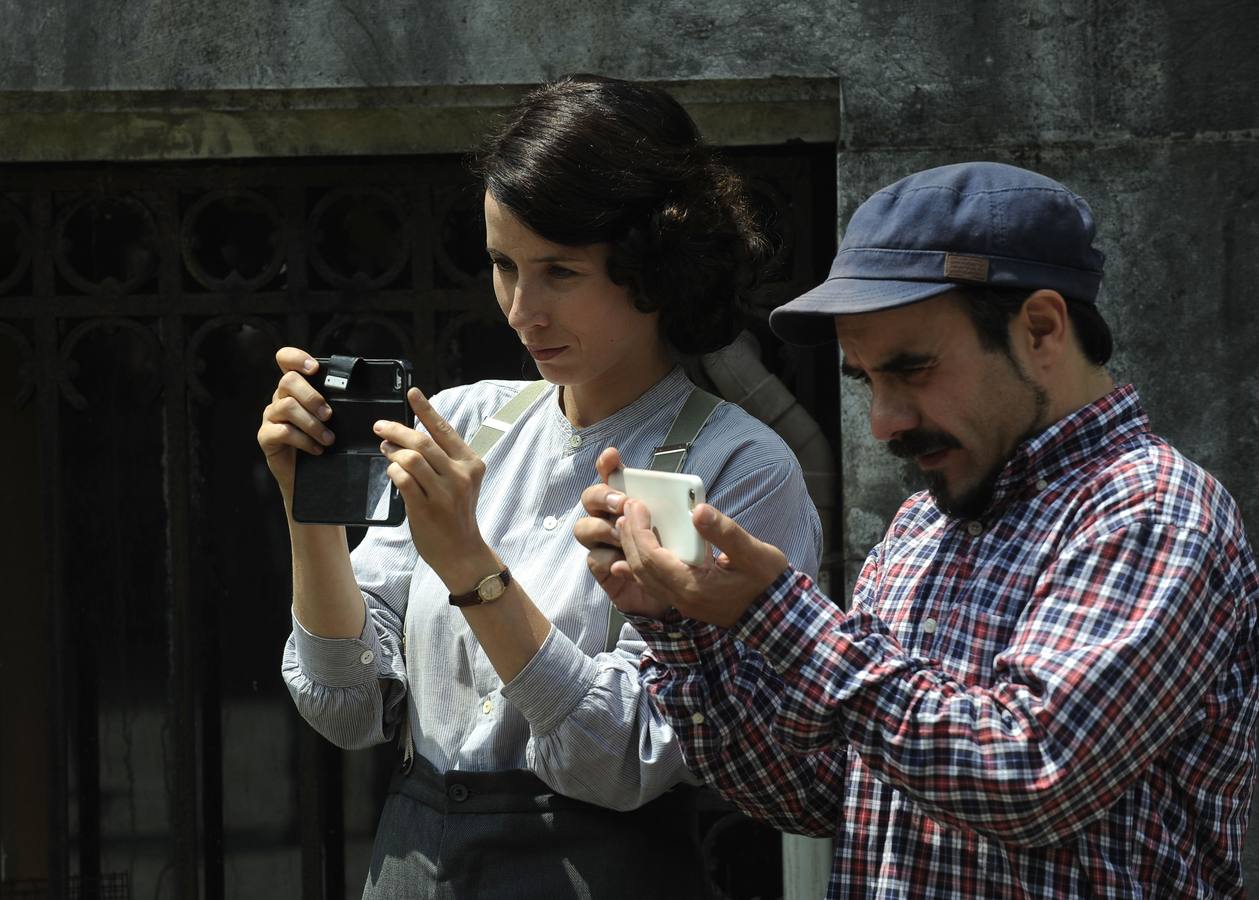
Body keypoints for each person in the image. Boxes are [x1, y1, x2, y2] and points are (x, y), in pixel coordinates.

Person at [577, 161, 1259, 897]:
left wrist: (776, 614)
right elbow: (811, 793)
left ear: (1040, 329)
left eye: (912, 370)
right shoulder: (920, 525)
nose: (883, 422)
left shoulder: (1152, 510)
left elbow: (1030, 775)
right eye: (868, 380)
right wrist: (682, 629)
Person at [257, 74, 821, 898]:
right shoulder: (464, 421)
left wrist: (471, 568)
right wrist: (306, 505)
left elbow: (627, 756)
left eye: (559, 271)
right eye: (502, 265)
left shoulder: (733, 467)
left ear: (653, 268)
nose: (523, 310)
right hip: (410, 863)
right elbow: (345, 706)